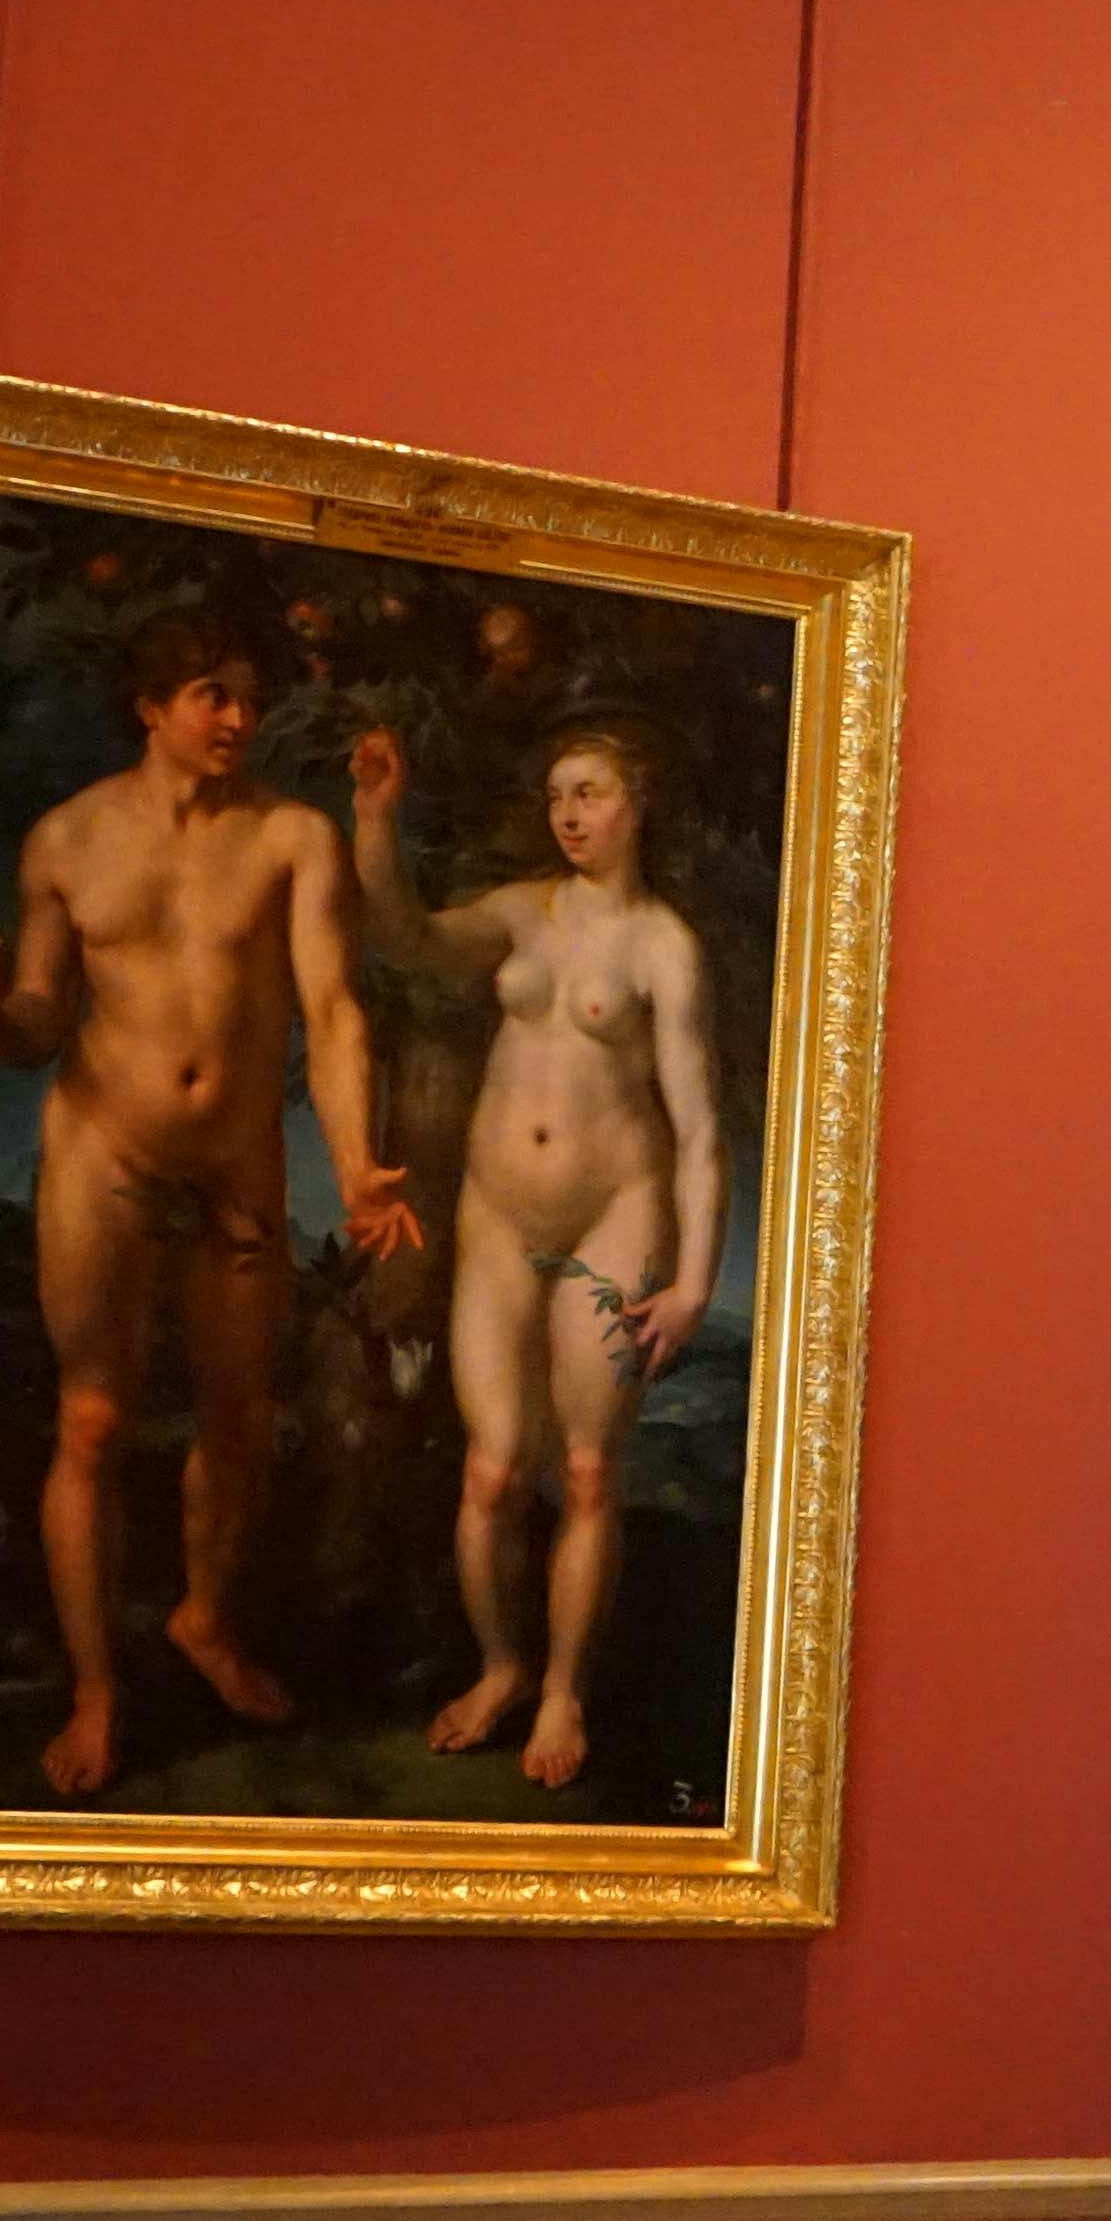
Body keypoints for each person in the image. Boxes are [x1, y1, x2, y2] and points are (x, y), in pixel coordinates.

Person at [0, 608, 416, 1795]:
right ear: (152, 707)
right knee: (94, 1419)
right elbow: (43, 1023)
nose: (240, 719)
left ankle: (204, 1618)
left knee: (239, 1418)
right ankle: (98, 1693)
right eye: (213, 693)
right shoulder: (67, 840)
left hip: (238, 1164)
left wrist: (357, 1162)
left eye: (249, 696)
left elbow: (334, 1011)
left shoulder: (292, 837)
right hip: (104, 1150)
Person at [345, 713, 725, 1788]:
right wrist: (376, 824)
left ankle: (565, 1687)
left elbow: (700, 1133)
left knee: (593, 1469)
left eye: (592, 791)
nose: (570, 813)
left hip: (617, 1213)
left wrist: (695, 1278)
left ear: (637, 801)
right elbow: (408, 937)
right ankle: (504, 1664)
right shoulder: (521, 913)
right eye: (560, 792)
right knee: (494, 1465)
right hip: (501, 1216)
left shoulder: (665, 947)